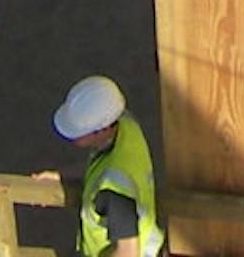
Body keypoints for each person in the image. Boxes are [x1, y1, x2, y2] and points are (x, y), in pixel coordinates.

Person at [57, 74, 164, 255]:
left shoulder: (114, 190)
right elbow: (100, 164)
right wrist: (63, 175)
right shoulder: (126, 126)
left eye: (80, 132)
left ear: (103, 129)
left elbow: (127, 253)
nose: (74, 137)